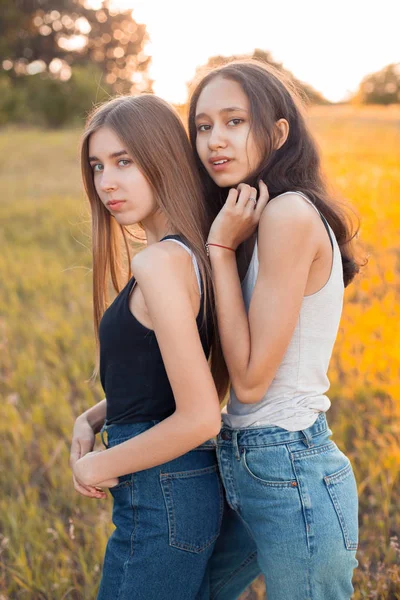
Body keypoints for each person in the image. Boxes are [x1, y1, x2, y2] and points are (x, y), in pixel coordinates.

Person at [188, 60, 361, 600]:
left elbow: (251, 381)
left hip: (289, 466)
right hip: (246, 459)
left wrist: (218, 249)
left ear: (278, 132)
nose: (215, 140)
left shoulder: (288, 214)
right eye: (203, 125)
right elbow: (219, 366)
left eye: (234, 121)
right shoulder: (257, 219)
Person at [69, 94, 230, 600]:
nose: (106, 182)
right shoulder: (190, 251)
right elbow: (159, 375)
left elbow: (202, 416)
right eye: (97, 166)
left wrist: (99, 464)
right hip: (176, 488)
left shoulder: (159, 263)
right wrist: (95, 417)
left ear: (162, 157)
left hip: (163, 491)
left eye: (124, 162)